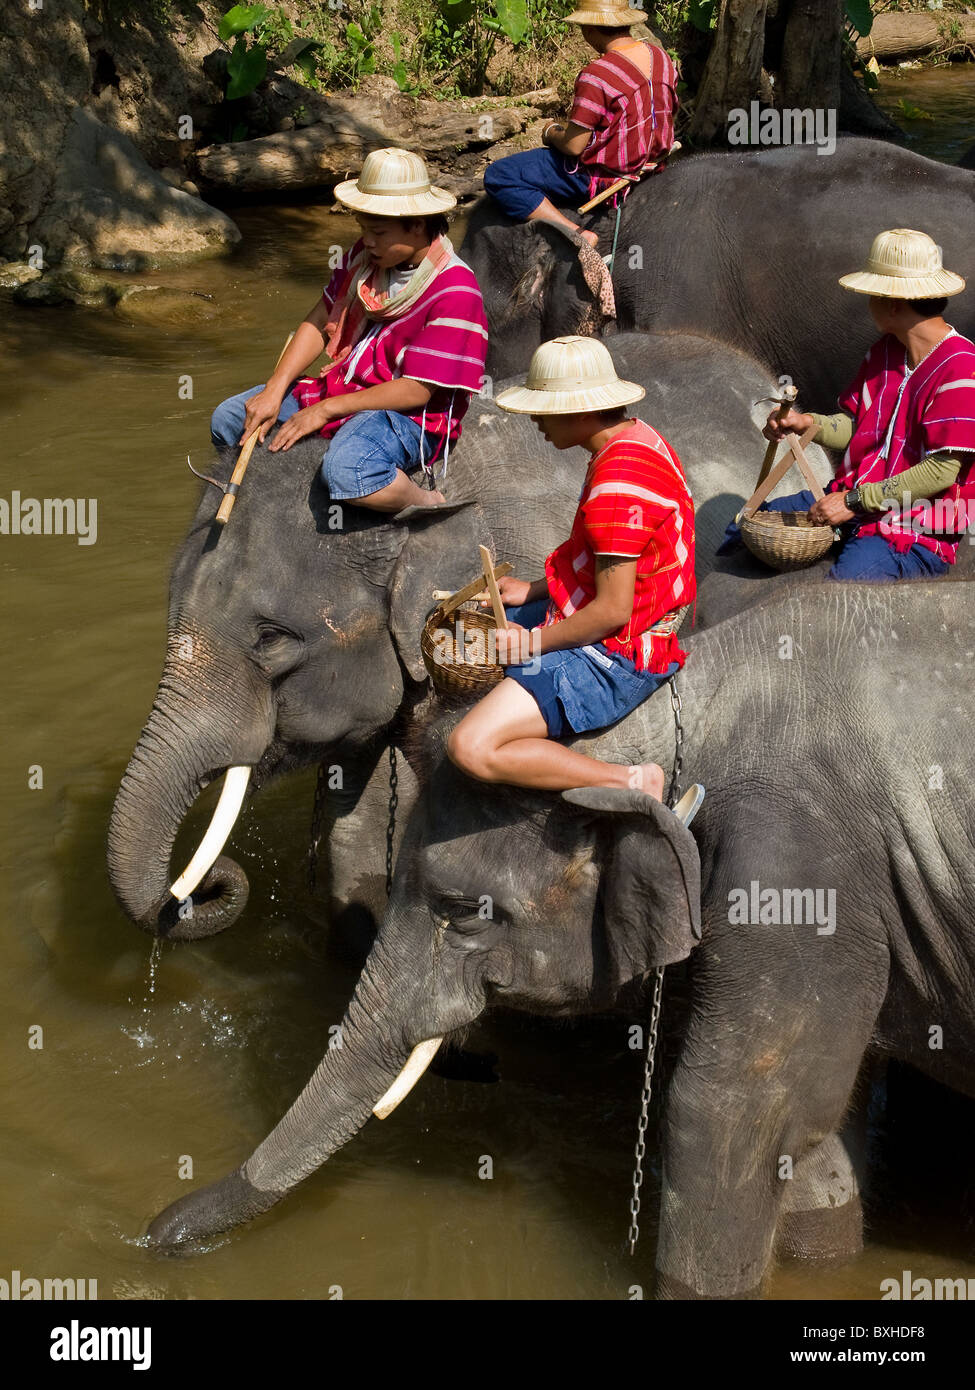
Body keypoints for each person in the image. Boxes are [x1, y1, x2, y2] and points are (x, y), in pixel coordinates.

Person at [446, 335, 696, 801]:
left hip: (621, 652)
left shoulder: (618, 489)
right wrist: (535, 590)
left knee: (470, 746)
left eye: (544, 411)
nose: (537, 422)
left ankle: (633, 781)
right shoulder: (637, 437)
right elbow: (608, 564)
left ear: (581, 412)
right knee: (464, 636)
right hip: (630, 613)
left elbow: (612, 611)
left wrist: (531, 643)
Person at [210, 148, 489, 512]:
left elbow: (418, 390)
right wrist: (275, 389)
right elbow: (323, 316)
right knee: (229, 419)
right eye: (363, 229)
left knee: (349, 471)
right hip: (344, 384)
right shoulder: (365, 256)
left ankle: (426, 500)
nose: (367, 240)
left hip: (407, 416)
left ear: (418, 224)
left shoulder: (456, 291)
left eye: (378, 232)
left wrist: (325, 411)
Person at [737, 229, 975, 580]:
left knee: (844, 589)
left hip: (911, 524)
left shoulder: (962, 366)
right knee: (743, 528)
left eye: (872, 295)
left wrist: (851, 503)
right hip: (857, 497)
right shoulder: (886, 352)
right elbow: (863, 430)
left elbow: (940, 472)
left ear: (893, 302)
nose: (868, 305)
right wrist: (807, 423)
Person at [483, 2, 678, 250]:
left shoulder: (597, 74)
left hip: (608, 177)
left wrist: (550, 133)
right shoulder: (661, 57)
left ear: (589, 29)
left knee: (500, 175)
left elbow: (574, 146)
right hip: (653, 166)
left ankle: (576, 232)